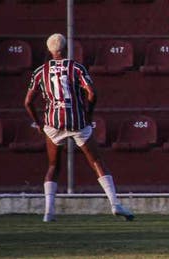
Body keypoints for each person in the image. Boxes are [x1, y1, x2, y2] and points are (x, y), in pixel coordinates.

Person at [24, 33, 134, 222]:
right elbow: (92, 93)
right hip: (77, 121)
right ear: (66, 49)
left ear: (49, 50)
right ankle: (115, 204)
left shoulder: (40, 71)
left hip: (53, 122)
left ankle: (48, 211)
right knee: (97, 161)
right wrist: (88, 114)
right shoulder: (76, 68)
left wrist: (40, 124)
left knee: (53, 166)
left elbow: (27, 102)